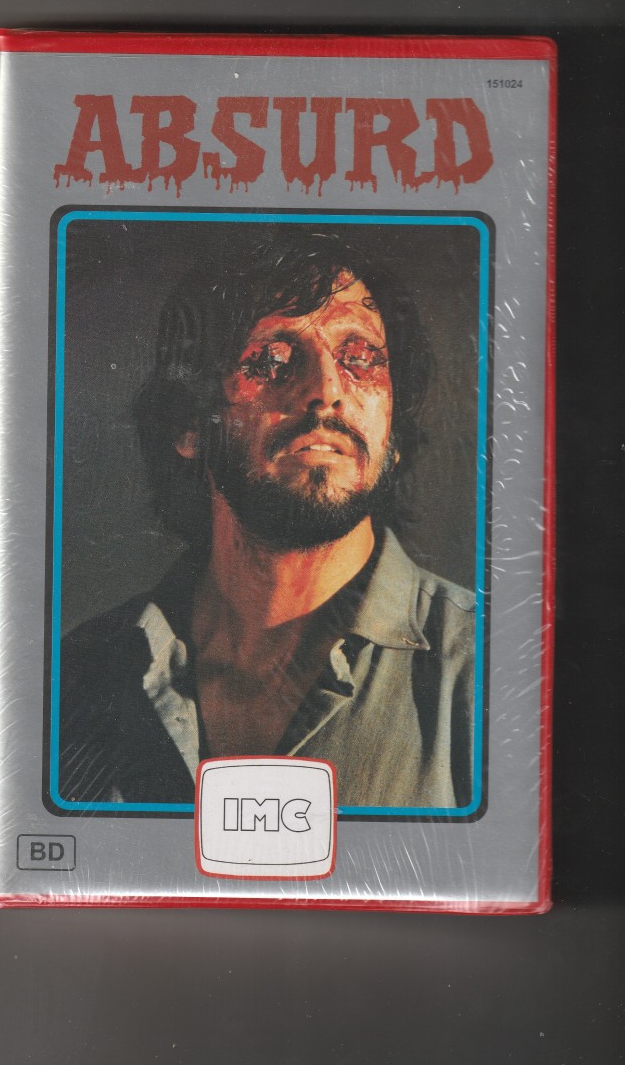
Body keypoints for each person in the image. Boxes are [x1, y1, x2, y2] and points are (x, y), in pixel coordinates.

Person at [58, 231, 475, 809]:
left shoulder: (493, 670)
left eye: (360, 359)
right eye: (272, 359)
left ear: (394, 435)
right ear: (189, 425)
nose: (326, 391)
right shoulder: (81, 673)